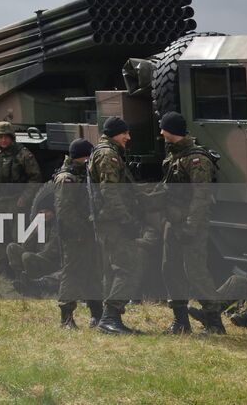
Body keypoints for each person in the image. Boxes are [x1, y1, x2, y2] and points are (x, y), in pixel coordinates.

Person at [150, 111, 222, 335]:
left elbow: (201, 197)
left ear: (172, 131)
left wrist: (191, 226)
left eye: (164, 129)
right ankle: (180, 321)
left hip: (192, 224)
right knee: (170, 268)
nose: (161, 133)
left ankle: (214, 322)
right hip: (173, 222)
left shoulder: (196, 159)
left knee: (195, 271)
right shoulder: (174, 156)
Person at [88, 116, 144, 334]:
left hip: (109, 221)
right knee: (129, 267)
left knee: (113, 270)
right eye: (124, 133)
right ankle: (110, 318)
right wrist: (126, 219)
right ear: (114, 134)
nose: (128, 137)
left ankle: (109, 317)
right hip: (112, 222)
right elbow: (110, 192)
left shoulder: (104, 151)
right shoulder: (108, 154)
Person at [52, 138, 101, 329]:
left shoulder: (81, 175)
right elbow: (65, 211)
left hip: (87, 233)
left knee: (93, 273)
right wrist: (80, 231)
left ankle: (97, 314)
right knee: (72, 274)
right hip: (74, 236)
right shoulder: (67, 179)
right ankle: (66, 318)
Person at [0, 121, 43, 268]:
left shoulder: (23, 154)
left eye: (6, 137)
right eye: (0, 137)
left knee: (18, 235)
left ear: (11, 137)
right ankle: (3, 266)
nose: (3, 140)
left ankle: (18, 266)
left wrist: (25, 197)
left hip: (16, 201)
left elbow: (35, 177)